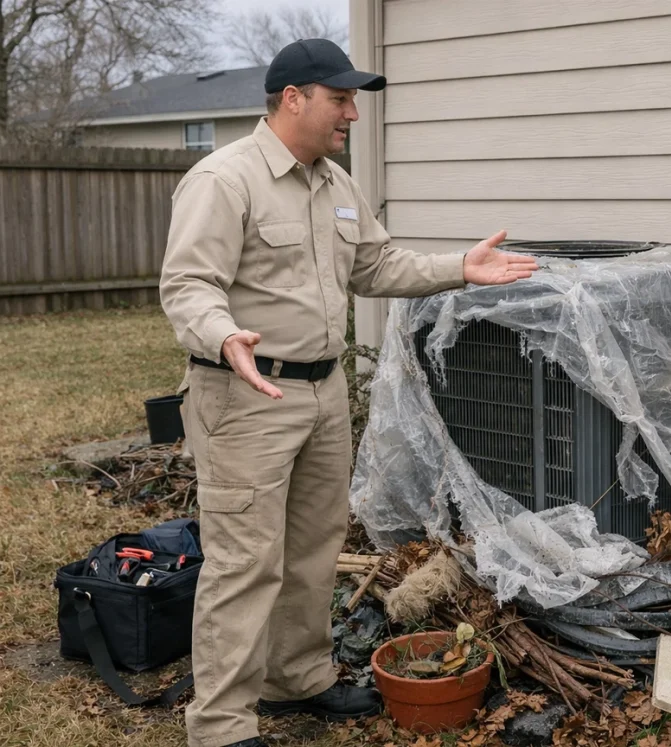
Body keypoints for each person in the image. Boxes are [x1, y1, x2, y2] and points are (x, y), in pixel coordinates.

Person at [159, 38, 538, 747]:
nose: (353, 114)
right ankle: (219, 725)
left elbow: (377, 263)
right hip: (246, 395)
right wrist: (223, 334)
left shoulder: (334, 183)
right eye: (340, 99)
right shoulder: (225, 179)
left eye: (353, 100)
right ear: (293, 98)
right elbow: (187, 284)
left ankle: (294, 677)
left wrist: (462, 266)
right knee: (246, 561)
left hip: (322, 392)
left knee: (312, 547)